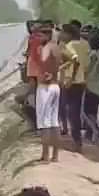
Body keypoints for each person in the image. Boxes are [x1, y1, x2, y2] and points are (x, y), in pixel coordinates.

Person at [60, 24, 90, 151]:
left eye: (63, 33)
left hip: (72, 83)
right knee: (76, 111)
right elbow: (87, 64)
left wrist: (71, 78)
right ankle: (77, 140)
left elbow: (75, 60)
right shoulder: (85, 44)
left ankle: (77, 140)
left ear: (69, 34)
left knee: (71, 112)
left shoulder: (69, 46)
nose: (61, 35)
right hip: (82, 81)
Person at [36, 27, 63, 163]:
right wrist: (53, 72)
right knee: (54, 121)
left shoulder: (46, 47)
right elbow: (63, 62)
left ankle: (45, 156)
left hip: (45, 88)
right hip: (55, 86)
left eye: (41, 35)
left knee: (45, 122)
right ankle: (55, 156)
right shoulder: (57, 48)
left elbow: (43, 59)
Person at [81, 30, 99, 143]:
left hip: (92, 85)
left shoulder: (93, 55)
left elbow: (88, 70)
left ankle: (95, 129)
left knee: (88, 111)